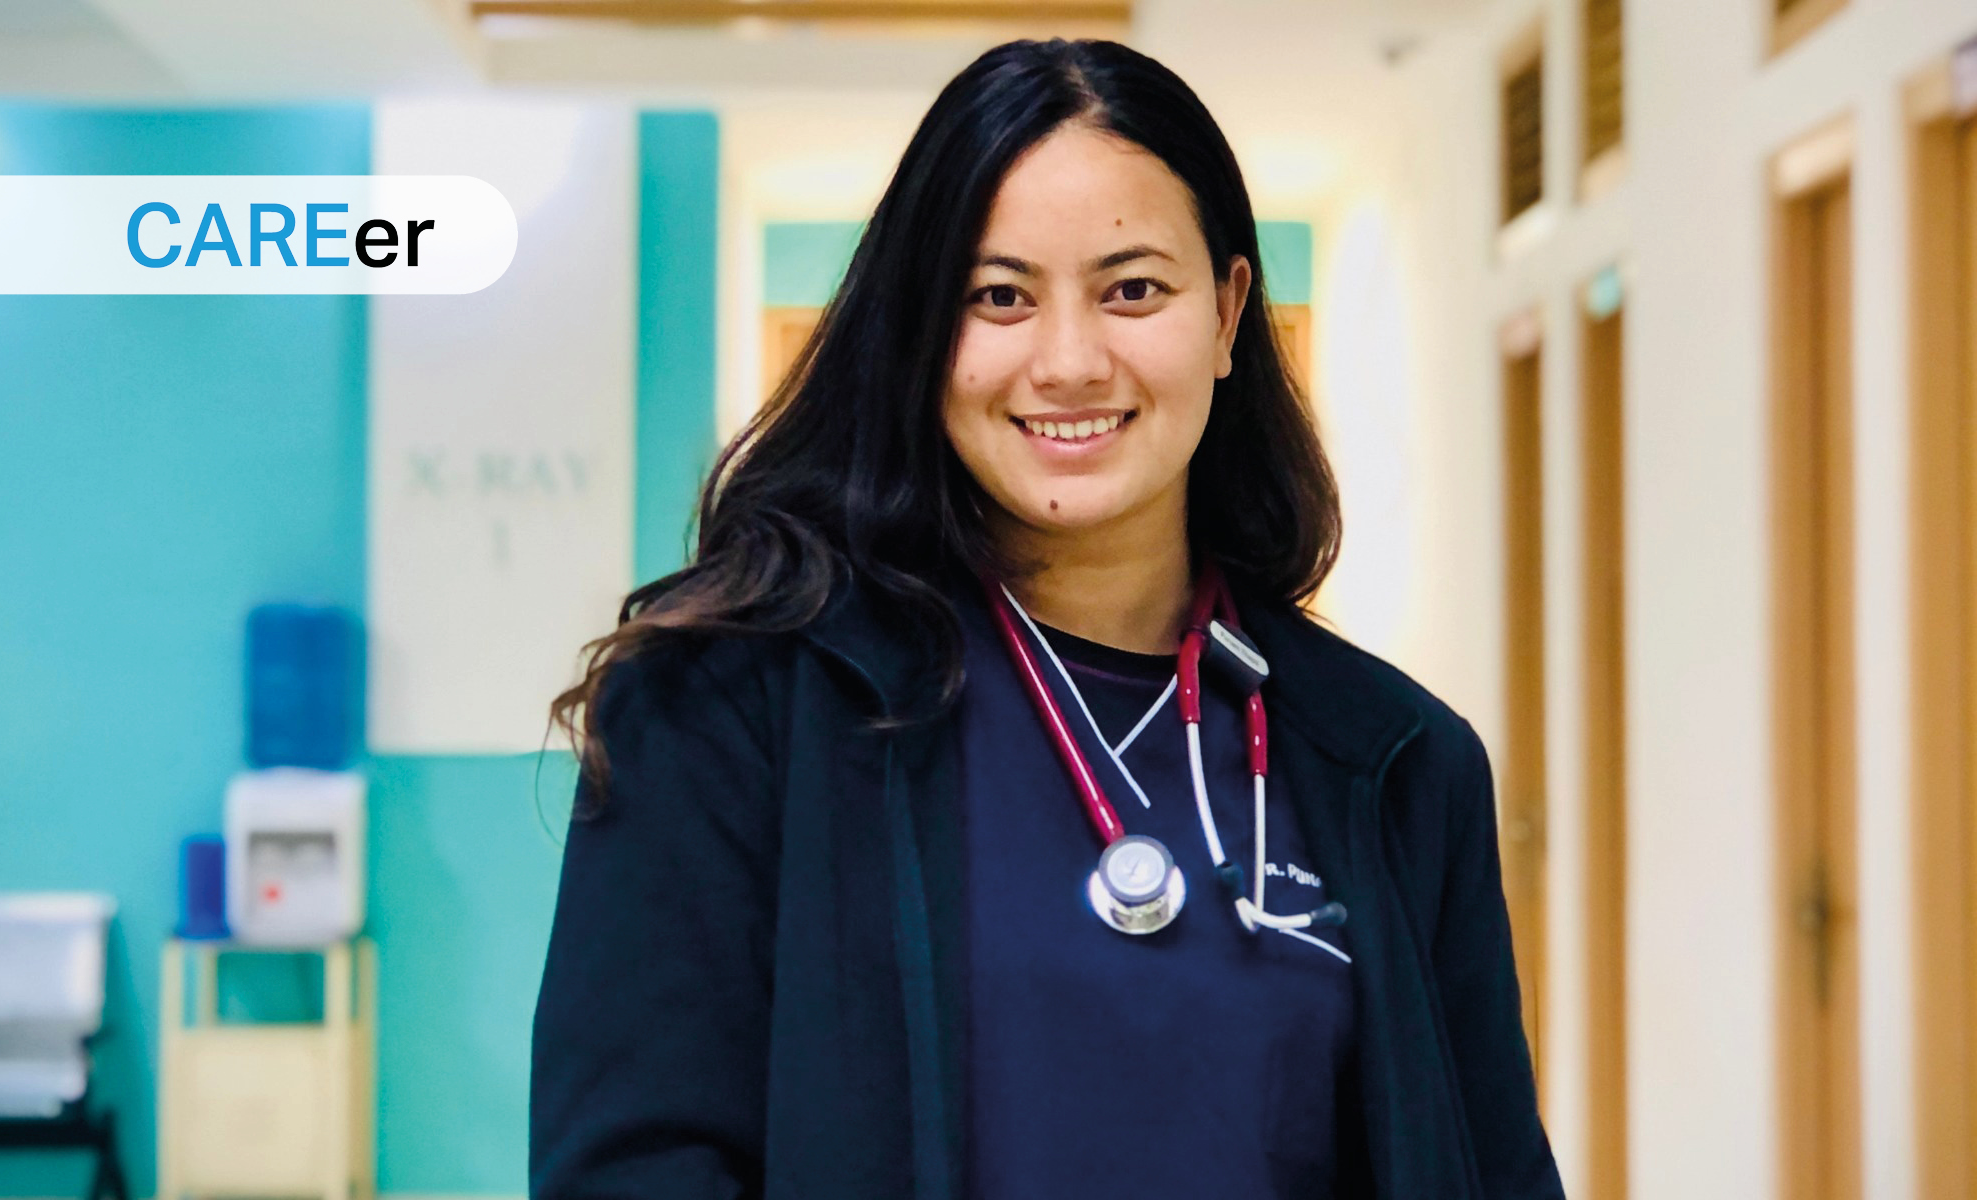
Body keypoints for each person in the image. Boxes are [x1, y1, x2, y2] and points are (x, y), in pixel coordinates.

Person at [530, 35, 1563, 1200]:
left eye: (1132, 289)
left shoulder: (1391, 765)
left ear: (1227, 313)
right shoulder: (729, 714)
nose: (1067, 361)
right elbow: (635, 1170)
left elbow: (1484, 1171)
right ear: (923, 334)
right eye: (998, 297)